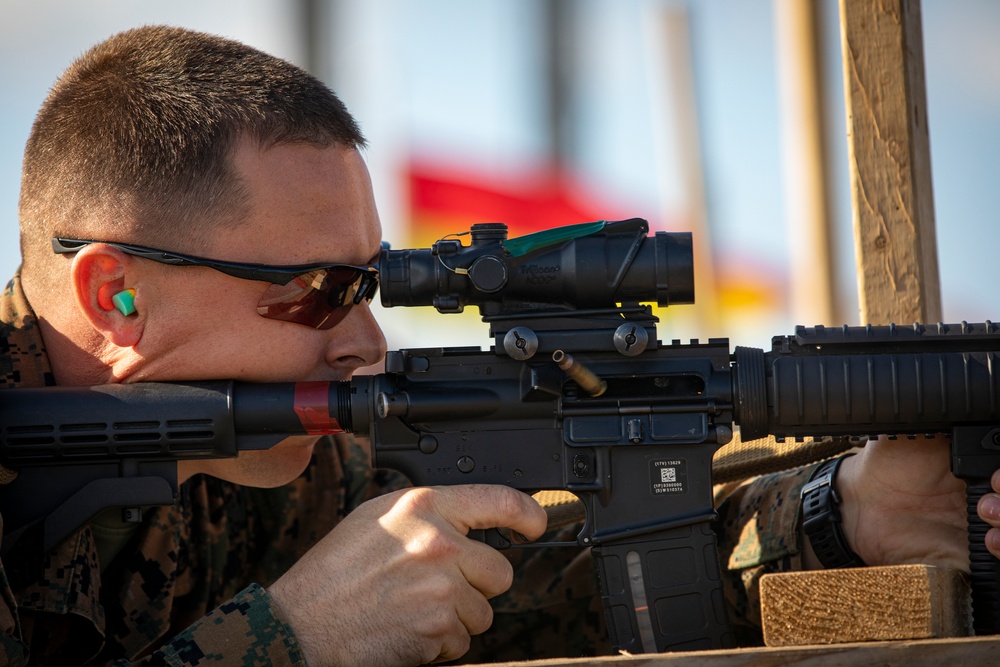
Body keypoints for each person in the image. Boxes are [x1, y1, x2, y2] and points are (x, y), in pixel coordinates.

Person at [2, 24, 999, 666]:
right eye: (320, 293)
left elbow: (548, 585)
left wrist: (844, 514)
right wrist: (292, 638)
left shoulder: (289, 460)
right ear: (117, 294)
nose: (367, 340)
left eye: (371, 282)